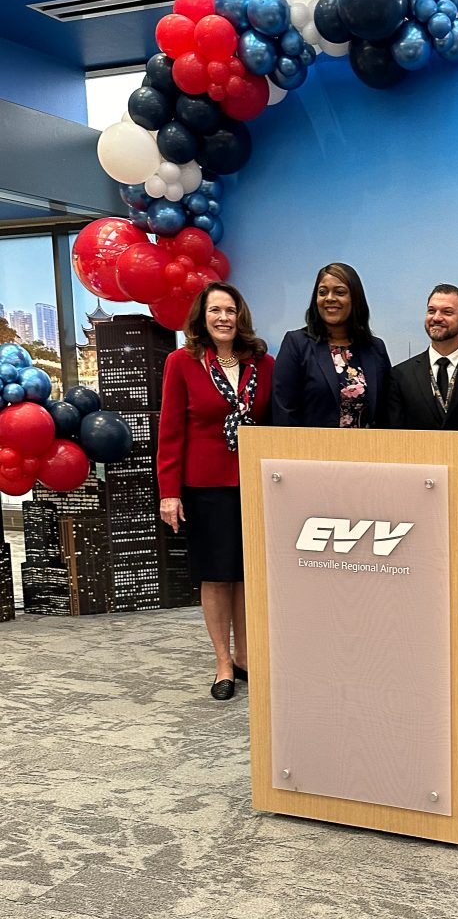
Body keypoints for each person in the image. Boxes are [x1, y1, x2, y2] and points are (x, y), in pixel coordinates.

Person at [157, 281, 275, 700]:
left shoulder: (264, 363)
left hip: (256, 485)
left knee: (247, 575)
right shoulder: (182, 362)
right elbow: (169, 432)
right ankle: (223, 661)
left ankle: (246, 657)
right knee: (217, 575)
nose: (223, 318)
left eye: (230, 310)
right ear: (202, 318)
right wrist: (169, 492)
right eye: (215, 311)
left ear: (240, 317)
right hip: (205, 486)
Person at [273, 263, 390, 428]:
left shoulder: (375, 348)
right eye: (322, 292)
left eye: (339, 292)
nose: (329, 298)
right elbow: (284, 412)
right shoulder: (296, 344)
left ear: (355, 299)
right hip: (310, 451)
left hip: (367, 451)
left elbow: (385, 412)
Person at [388, 284, 458, 431]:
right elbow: (392, 432)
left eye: (447, 312)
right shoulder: (400, 374)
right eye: (431, 311)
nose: (436, 317)